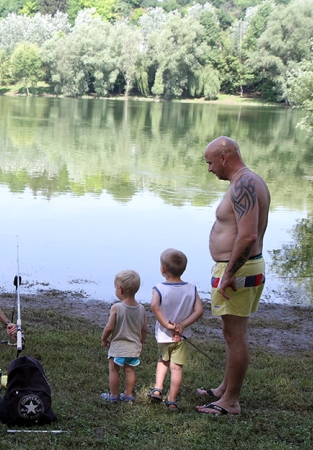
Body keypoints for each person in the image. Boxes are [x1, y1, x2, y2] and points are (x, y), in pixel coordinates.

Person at [196, 136, 270, 416]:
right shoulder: (248, 181)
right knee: (231, 333)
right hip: (244, 267)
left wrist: (229, 273)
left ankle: (231, 402)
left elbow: (248, 235)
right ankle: (223, 390)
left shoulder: (245, 184)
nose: (210, 169)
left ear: (224, 158)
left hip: (239, 269)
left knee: (235, 335)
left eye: (210, 162)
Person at [148, 248, 204, 411]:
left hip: (165, 335)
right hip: (182, 336)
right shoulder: (191, 288)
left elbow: (154, 306)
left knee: (163, 360)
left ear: (162, 269)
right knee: (177, 367)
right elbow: (199, 310)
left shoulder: (159, 288)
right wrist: (183, 325)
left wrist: (167, 324)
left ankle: (158, 389)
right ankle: (171, 399)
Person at [101, 270, 147, 403]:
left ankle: (114, 395)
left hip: (118, 347)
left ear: (120, 289)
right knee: (129, 371)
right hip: (133, 347)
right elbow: (144, 329)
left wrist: (104, 338)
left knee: (114, 370)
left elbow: (109, 327)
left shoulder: (116, 307)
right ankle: (128, 395)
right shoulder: (142, 308)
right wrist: (142, 342)